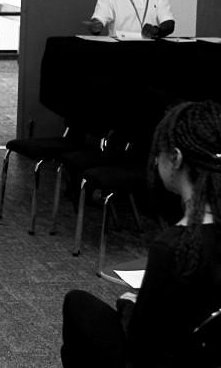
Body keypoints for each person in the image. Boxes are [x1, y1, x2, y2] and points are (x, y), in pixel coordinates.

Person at [60, 100, 221, 368]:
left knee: (77, 304)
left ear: (176, 158)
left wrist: (129, 306)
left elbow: (143, 342)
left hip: (165, 357)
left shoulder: (173, 247)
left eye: (158, 151)